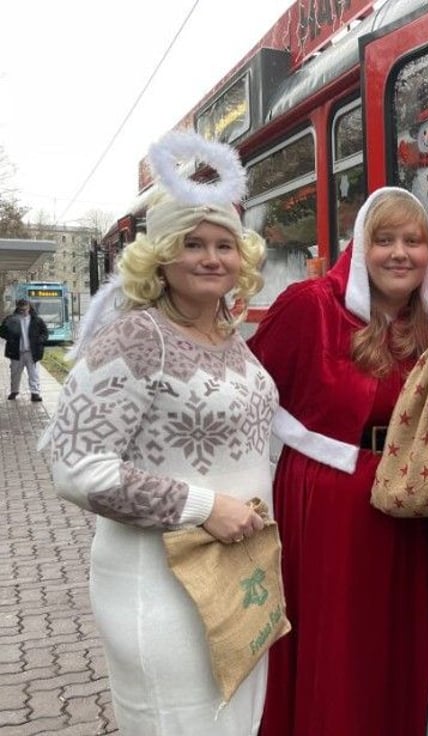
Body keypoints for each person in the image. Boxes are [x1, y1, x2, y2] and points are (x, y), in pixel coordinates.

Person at [39, 130, 276, 735]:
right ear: (160, 256)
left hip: (241, 573)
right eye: (192, 244)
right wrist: (201, 508)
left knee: (237, 724)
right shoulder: (135, 337)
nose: (211, 257)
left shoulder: (228, 335)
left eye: (225, 245)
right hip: (160, 584)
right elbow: (76, 465)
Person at [247, 187, 428, 736]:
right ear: (359, 248)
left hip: (416, 501)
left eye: (414, 241)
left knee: (409, 638)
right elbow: (245, 396)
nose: (400, 253)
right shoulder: (309, 306)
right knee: (341, 644)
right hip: (331, 502)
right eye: (384, 240)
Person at [2, 298, 48, 402]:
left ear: (29, 307)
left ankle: (35, 393)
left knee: (34, 374)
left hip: (32, 352)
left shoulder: (37, 320)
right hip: (16, 352)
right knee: (15, 373)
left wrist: (39, 340)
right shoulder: (11, 319)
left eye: (25, 309)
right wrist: (10, 337)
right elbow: (2, 331)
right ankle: (14, 391)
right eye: (21, 310)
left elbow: (45, 333)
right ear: (17, 308)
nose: (23, 312)